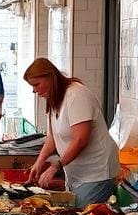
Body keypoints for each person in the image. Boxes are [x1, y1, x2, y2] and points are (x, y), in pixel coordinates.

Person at [24, 58, 119, 206]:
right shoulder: (54, 100)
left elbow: (80, 139)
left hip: (95, 173)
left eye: (37, 85)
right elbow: (53, 137)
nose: (34, 90)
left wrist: (56, 165)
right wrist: (39, 162)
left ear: (51, 77)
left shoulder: (76, 95)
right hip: (76, 174)